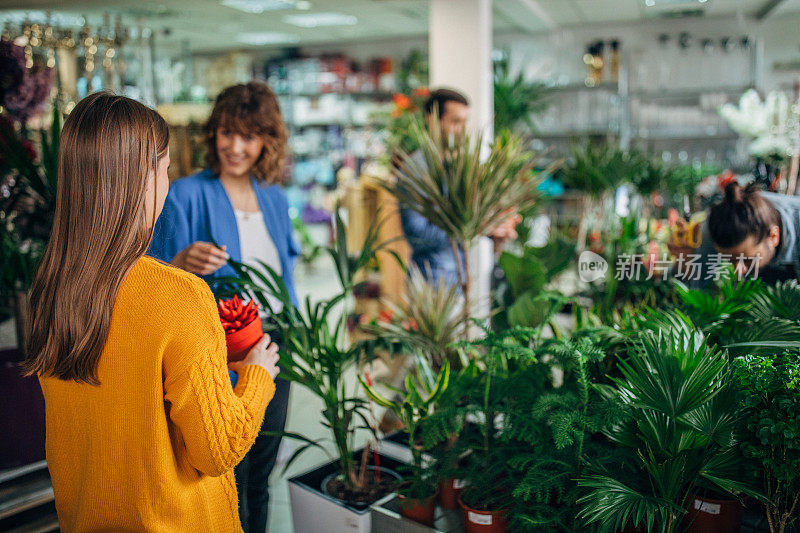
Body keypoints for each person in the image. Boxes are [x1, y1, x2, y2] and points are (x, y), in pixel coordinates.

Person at [24, 92, 280, 532]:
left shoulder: (52, 286)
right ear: (142, 180)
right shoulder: (180, 296)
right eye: (164, 169)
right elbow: (218, 449)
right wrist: (259, 375)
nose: (168, 180)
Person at [149, 81, 299, 533]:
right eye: (227, 133)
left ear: (266, 143)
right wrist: (181, 262)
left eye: (249, 137)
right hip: (223, 348)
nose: (235, 147)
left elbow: (285, 271)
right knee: (233, 464)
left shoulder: (273, 196)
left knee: (266, 467)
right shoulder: (186, 193)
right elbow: (151, 277)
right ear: (213, 133)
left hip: (275, 341)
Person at [399, 88, 521, 284]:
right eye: (455, 122)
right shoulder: (415, 169)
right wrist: (476, 227)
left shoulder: (462, 166)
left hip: (461, 278)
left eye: (465, 122)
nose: (462, 130)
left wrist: (497, 226)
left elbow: (474, 212)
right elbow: (416, 234)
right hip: (431, 282)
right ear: (432, 120)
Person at [669, 182, 800, 284]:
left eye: (749, 261)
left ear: (773, 236)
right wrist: (684, 259)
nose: (739, 271)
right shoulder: (715, 227)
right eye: (730, 261)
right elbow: (697, 291)